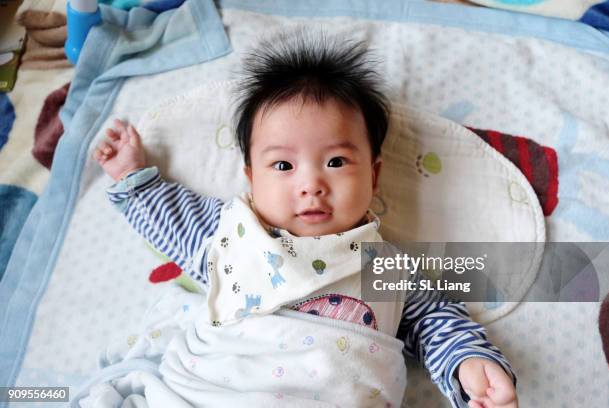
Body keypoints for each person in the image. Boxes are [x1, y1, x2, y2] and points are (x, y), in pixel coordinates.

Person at [93, 30, 518, 408]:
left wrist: (470, 363)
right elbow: (171, 220)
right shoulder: (231, 233)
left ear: (373, 174)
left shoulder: (388, 266)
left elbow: (435, 321)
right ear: (251, 179)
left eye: (335, 161)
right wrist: (133, 176)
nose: (311, 184)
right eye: (282, 167)